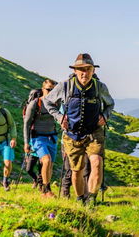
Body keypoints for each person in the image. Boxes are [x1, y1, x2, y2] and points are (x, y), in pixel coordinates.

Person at [44, 53, 114, 205]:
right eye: (81, 69)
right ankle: (80, 198)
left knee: (96, 162)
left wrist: (105, 115)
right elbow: (47, 102)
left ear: (93, 71)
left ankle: (91, 199)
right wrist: (59, 117)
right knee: (76, 170)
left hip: (94, 132)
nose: (85, 73)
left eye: (88, 69)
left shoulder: (99, 87)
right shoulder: (65, 86)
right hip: (72, 135)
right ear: (75, 70)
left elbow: (110, 104)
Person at [23, 79, 58, 197]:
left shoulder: (57, 103)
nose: (51, 92)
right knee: (46, 160)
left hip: (52, 137)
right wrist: (26, 143)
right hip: (38, 137)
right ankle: (47, 189)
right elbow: (26, 124)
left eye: (53, 90)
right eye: (48, 89)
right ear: (43, 89)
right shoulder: (35, 103)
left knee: (50, 165)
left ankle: (44, 189)